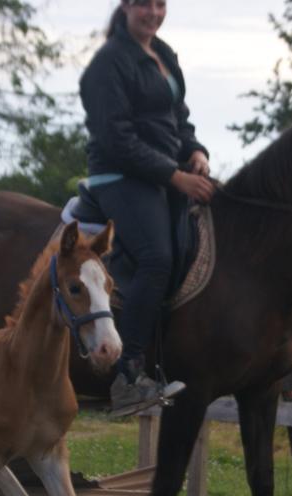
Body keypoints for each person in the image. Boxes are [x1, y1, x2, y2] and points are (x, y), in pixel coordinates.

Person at [78, 0, 216, 416]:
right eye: (143, 5)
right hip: (119, 176)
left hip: (162, 174)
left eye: (160, 4)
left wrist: (195, 151)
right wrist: (175, 177)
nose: (153, 13)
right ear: (125, 7)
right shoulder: (107, 65)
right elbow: (117, 139)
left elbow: (178, 117)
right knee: (157, 257)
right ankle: (128, 375)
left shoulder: (164, 54)